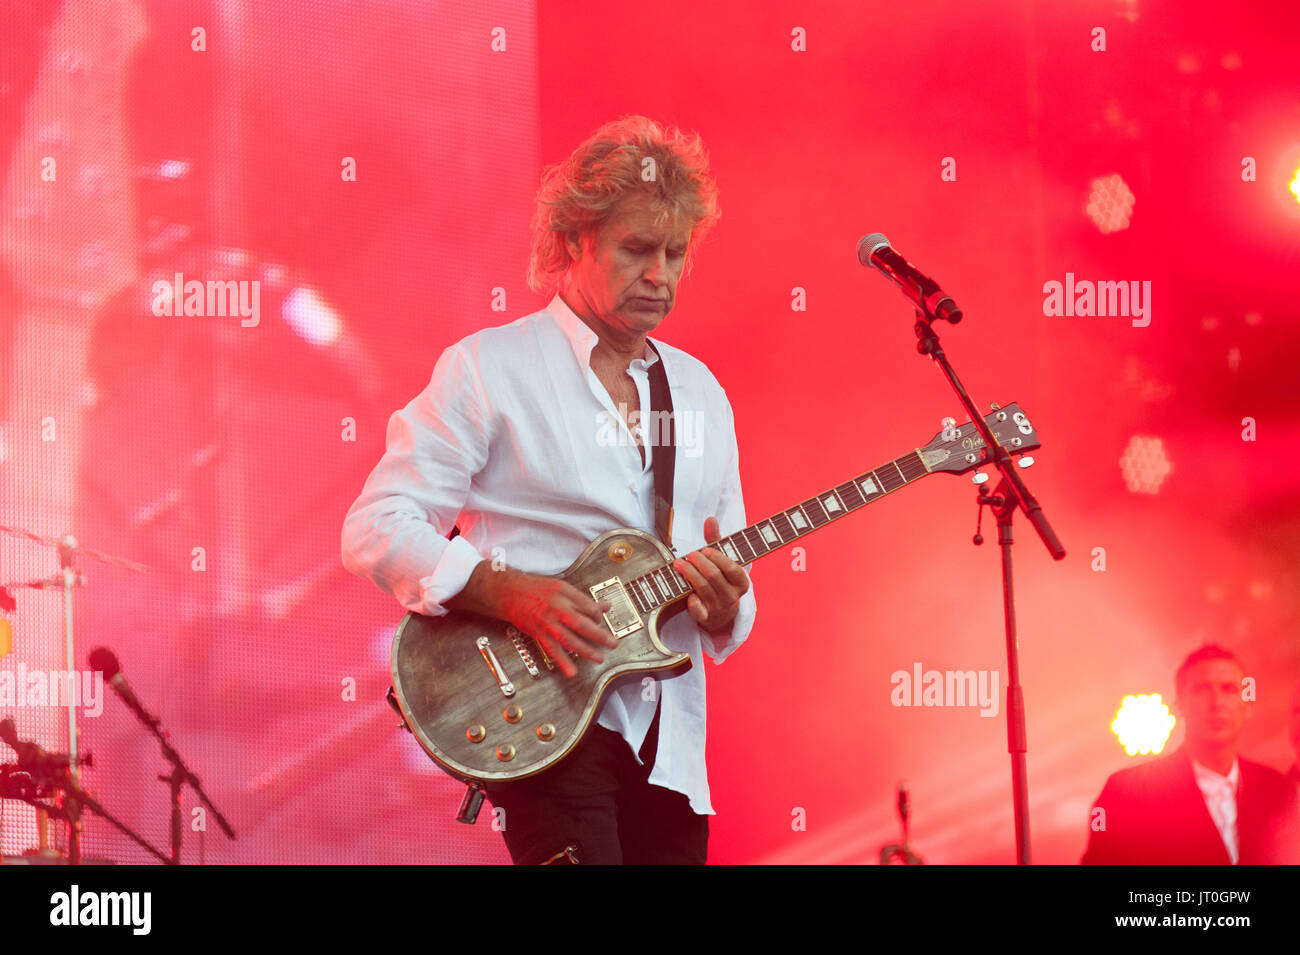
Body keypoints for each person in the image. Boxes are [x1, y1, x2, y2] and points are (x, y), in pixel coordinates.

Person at [341, 115, 756, 864]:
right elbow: (377, 524)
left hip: (672, 743)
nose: (659, 274)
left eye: (674, 253)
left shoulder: (701, 393)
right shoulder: (488, 368)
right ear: (574, 241)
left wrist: (729, 602)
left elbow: (725, 558)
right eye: (637, 249)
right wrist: (505, 591)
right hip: (546, 725)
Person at [1081, 644, 1300, 864]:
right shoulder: (1126, 792)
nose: (1216, 703)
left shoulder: (1277, 791)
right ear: (1179, 704)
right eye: (1201, 689)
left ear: (1248, 706)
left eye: (1228, 689)